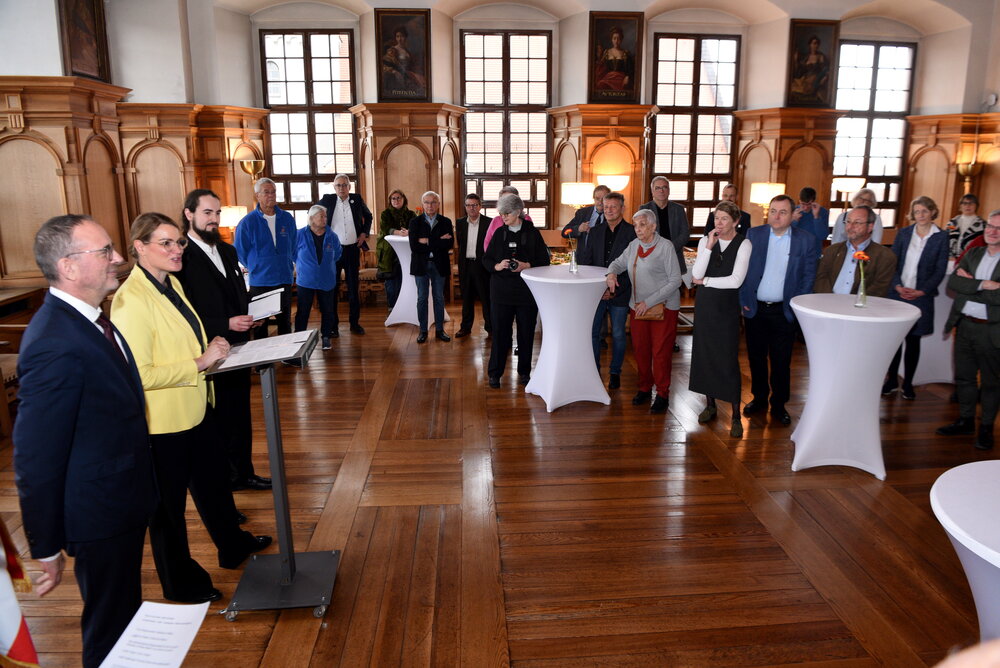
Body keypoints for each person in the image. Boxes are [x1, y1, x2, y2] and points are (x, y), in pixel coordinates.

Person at [14, 215, 157, 667]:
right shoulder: (54, 340)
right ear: (69, 267)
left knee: (124, 616)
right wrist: (45, 544)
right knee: (110, 627)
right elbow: (36, 456)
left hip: (120, 500)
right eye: (105, 252)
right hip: (99, 512)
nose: (118, 259)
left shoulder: (89, 321)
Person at [112, 213, 272, 605]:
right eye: (165, 243)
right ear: (139, 247)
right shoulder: (131, 301)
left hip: (197, 406)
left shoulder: (172, 285)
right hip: (163, 423)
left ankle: (232, 546)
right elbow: (140, 374)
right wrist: (200, 362)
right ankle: (180, 583)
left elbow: (184, 338)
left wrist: (210, 348)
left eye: (178, 242)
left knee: (215, 485)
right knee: (167, 512)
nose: (176, 250)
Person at [175, 189, 271, 494]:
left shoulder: (228, 251)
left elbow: (238, 294)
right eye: (207, 213)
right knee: (216, 423)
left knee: (240, 414)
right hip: (207, 350)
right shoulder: (182, 258)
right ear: (189, 214)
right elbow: (182, 314)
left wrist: (250, 314)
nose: (214, 219)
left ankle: (243, 473)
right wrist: (224, 323)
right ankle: (223, 487)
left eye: (217, 213)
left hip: (239, 347)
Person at [739, 194, 817, 425]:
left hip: (785, 312)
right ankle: (759, 398)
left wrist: (796, 307)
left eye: (783, 212)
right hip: (755, 309)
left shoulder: (806, 240)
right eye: (773, 211)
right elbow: (743, 270)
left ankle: (779, 404)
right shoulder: (754, 235)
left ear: (793, 215)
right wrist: (743, 300)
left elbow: (808, 277)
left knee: (782, 361)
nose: (777, 216)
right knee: (756, 358)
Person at [606, 209, 683, 413]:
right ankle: (644, 388)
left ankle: (663, 394)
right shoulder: (634, 245)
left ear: (653, 226)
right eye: (635, 225)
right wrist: (611, 274)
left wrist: (648, 302)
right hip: (638, 307)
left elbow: (676, 281)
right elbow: (618, 263)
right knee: (640, 351)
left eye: (642, 225)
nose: (637, 229)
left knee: (660, 353)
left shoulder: (665, 247)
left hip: (663, 307)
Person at [936, 209, 1000, 451]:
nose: (992, 232)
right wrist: (985, 285)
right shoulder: (974, 253)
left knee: (992, 383)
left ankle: (985, 428)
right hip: (964, 325)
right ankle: (965, 421)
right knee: (964, 377)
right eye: (989, 227)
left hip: (991, 330)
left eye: (998, 228)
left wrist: (970, 286)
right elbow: (954, 283)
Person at [690, 201, 752, 437]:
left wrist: (706, 282)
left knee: (727, 360)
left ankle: (736, 415)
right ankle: (710, 405)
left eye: (724, 218)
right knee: (704, 355)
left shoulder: (744, 243)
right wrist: (708, 246)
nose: (719, 223)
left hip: (726, 308)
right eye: (717, 218)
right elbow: (696, 273)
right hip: (705, 306)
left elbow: (735, 280)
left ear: (736, 221)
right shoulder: (708, 240)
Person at [883, 196, 949, 399]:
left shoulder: (941, 237)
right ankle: (892, 380)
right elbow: (892, 262)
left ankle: (908, 383)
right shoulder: (903, 234)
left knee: (913, 341)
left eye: (925, 211)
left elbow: (940, 269)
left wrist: (922, 291)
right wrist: (897, 286)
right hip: (898, 294)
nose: (921, 215)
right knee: (895, 340)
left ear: (932, 213)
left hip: (921, 297)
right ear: (913, 214)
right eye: (917, 211)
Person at [484, 193, 550, 387]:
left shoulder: (532, 233)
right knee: (500, 334)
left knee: (526, 334)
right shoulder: (499, 233)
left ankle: (524, 373)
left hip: (526, 293)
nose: (503, 217)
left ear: (518, 212)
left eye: (507, 213)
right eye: (501, 213)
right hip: (501, 292)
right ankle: (495, 374)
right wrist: (497, 266)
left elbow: (544, 261)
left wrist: (526, 265)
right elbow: (486, 260)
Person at [578, 191, 636, 389]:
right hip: (596, 293)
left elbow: (633, 267)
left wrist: (613, 289)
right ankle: (594, 370)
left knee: (618, 334)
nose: (609, 210)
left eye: (614, 206)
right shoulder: (594, 232)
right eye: (606, 206)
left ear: (622, 208)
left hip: (620, 292)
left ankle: (615, 372)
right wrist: (597, 289)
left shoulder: (632, 232)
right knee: (593, 333)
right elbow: (586, 263)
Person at [234, 177, 296, 337]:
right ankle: (264, 363)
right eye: (266, 192)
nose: (271, 195)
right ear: (257, 196)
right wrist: (256, 266)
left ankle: (286, 356)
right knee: (261, 325)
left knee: (285, 323)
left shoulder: (287, 219)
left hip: (284, 279)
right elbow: (240, 251)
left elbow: (294, 244)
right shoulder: (247, 222)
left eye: (273, 191)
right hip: (260, 281)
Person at [316, 173, 373, 335]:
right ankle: (333, 326)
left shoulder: (356, 199)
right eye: (338, 185)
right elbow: (313, 213)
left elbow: (368, 216)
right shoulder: (327, 200)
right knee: (332, 289)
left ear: (349, 186)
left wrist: (364, 233)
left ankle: (354, 323)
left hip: (352, 250)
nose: (342, 188)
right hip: (332, 252)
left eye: (345, 185)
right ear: (334, 187)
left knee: (353, 289)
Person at [814, 205, 897, 297]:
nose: (850, 226)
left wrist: (853, 305)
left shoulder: (884, 256)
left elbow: (879, 289)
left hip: (861, 307)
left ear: (870, 227)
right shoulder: (831, 251)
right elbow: (821, 279)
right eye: (848, 221)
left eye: (857, 222)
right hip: (828, 304)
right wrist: (831, 301)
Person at [295, 204, 343, 350]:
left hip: (327, 279)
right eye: (321, 216)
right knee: (303, 311)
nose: (324, 219)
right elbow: (292, 253)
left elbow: (338, 254)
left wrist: (324, 267)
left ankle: (326, 336)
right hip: (306, 280)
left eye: (325, 216)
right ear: (311, 218)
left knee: (328, 310)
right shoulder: (300, 234)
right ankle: (299, 338)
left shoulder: (332, 235)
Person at [409, 191, 454, 343]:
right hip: (421, 266)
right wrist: (437, 241)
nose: (430, 205)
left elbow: (448, 244)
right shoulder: (414, 222)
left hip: (439, 265)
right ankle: (423, 331)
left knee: (439, 298)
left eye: (433, 202)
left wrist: (427, 241)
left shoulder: (446, 222)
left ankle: (440, 330)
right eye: (427, 202)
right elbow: (414, 246)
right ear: (422, 205)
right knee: (422, 298)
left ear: (439, 204)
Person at [455, 193, 492, 338]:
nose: (472, 208)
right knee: (467, 298)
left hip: (482, 265)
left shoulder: (488, 223)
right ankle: (465, 328)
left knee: (486, 298)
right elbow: (460, 243)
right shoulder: (460, 222)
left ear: (480, 207)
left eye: (475, 205)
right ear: (465, 207)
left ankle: (490, 328)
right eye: (469, 205)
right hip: (465, 265)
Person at [639, 176, 689, 276]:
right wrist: (657, 250)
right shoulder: (644, 209)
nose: (661, 191)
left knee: (675, 290)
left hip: (674, 256)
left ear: (669, 190)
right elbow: (641, 233)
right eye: (657, 188)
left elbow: (685, 234)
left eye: (664, 187)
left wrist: (668, 248)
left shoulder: (678, 209)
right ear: (652, 191)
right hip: (652, 257)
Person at [376, 189, 413, 309]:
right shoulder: (385, 214)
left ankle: (405, 307)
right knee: (391, 281)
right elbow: (386, 228)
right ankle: (392, 308)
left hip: (407, 251)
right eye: (393, 198)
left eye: (398, 198)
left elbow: (416, 228)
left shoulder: (411, 214)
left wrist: (409, 232)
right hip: (388, 252)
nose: (396, 200)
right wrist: (399, 232)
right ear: (390, 201)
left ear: (404, 199)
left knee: (406, 280)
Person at [561, 184, 610, 252]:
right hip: (584, 257)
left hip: (603, 257)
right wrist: (579, 228)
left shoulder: (613, 215)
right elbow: (565, 232)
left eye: (604, 199)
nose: (600, 202)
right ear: (594, 199)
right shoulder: (583, 213)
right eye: (597, 198)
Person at [483, 185, 531, 252]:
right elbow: (487, 242)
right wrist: (494, 260)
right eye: (503, 200)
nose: (506, 203)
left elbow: (530, 245)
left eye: (510, 199)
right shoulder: (496, 220)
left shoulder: (526, 219)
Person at [789, 34, 830, 105]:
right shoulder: (806, 56)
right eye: (814, 43)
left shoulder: (820, 56)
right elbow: (799, 69)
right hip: (805, 77)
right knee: (792, 87)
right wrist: (795, 60)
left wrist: (824, 79)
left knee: (805, 89)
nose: (815, 45)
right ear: (810, 45)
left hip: (814, 78)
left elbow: (825, 69)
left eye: (817, 44)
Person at [791, 186, 829, 259]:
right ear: (799, 200)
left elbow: (822, 236)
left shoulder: (822, 212)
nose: (805, 207)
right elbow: (787, 235)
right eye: (803, 204)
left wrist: (816, 217)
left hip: (814, 255)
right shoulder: (793, 211)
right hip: (795, 254)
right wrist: (794, 220)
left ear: (814, 201)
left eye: (808, 204)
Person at [594, 26, 633, 92]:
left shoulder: (626, 53)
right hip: (608, 79)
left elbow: (630, 70)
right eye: (614, 38)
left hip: (621, 79)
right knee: (600, 85)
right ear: (611, 39)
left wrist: (627, 77)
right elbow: (601, 68)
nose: (616, 41)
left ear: (621, 40)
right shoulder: (606, 52)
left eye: (618, 39)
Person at [947, 193, 986, 258]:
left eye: (971, 203)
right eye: (964, 203)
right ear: (960, 206)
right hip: (950, 259)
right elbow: (946, 240)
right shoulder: (952, 223)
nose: (968, 206)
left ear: (976, 206)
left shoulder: (982, 224)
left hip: (971, 259)